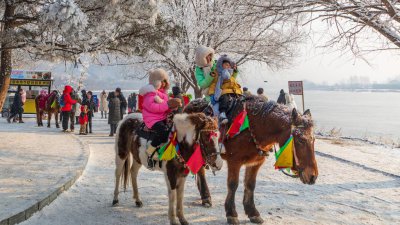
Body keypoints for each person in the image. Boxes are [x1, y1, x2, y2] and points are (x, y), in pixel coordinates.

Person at [139, 68, 182, 165]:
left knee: (171, 130)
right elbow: (152, 107)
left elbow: (165, 106)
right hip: (152, 119)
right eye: (162, 81)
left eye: (165, 81)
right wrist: (167, 105)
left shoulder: (162, 94)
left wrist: (173, 108)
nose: (164, 83)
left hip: (161, 117)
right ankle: (150, 150)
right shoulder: (150, 94)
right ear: (156, 82)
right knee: (162, 131)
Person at [209, 55, 243, 124]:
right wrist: (211, 94)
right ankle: (222, 113)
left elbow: (234, 82)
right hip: (224, 92)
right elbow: (213, 84)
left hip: (235, 92)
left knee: (242, 100)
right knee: (225, 99)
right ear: (221, 65)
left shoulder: (231, 75)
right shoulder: (219, 74)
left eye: (229, 65)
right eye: (226, 65)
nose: (228, 66)